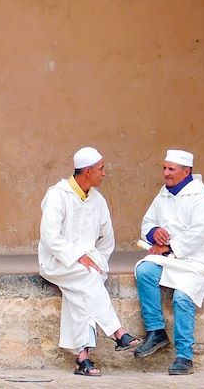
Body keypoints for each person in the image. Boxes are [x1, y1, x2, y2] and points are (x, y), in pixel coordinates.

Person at [38, 146, 141, 377]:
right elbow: (50, 236)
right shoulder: (58, 195)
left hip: (87, 266)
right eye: (101, 169)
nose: (104, 173)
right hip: (57, 261)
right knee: (88, 279)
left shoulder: (98, 200)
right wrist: (77, 256)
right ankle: (117, 332)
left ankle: (82, 359)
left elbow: (107, 239)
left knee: (84, 288)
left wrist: (99, 261)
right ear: (87, 171)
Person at [133, 149, 204, 375]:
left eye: (171, 169)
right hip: (174, 258)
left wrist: (170, 246)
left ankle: (184, 356)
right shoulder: (163, 194)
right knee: (145, 270)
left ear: (186, 172)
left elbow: (200, 232)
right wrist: (155, 233)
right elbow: (148, 222)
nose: (165, 173)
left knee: (182, 297)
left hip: (201, 259)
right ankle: (156, 331)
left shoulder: (200, 198)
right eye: (164, 168)